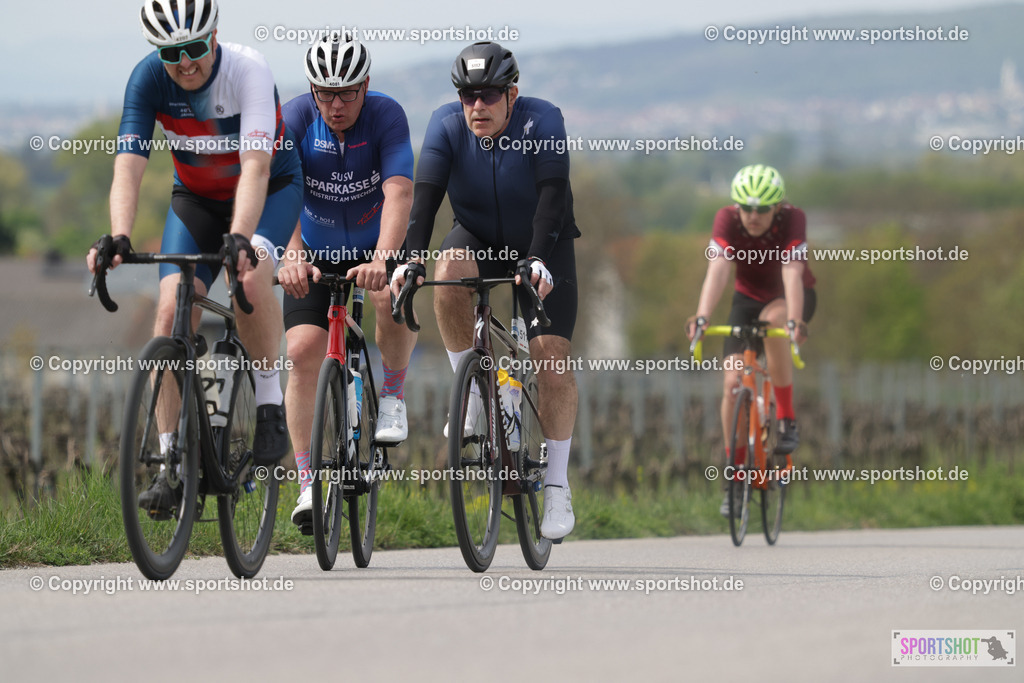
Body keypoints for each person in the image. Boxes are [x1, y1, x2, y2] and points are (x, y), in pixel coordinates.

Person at [87, 0, 301, 515]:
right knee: (168, 315)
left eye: (195, 48)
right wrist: (119, 234)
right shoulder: (147, 79)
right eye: (171, 53)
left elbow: (255, 167)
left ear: (215, 37)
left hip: (269, 189)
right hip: (197, 199)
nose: (184, 63)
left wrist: (241, 237)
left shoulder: (247, 70)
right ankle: (171, 465)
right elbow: (129, 165)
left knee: (250, 278)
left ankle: (269, 403)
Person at [391, 42, 581, 540]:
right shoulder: (446, 125)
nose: (477, 106)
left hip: (544, 243)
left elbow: (552, 196)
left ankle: (557, 485)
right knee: (447, 271)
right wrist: (411, 258)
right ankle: (474, 391)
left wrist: (536, 257)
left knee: (552, 358)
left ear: (512, 95)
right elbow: (425, 199)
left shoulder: (543, 120)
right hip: (478, 236)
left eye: (489, 95)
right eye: (468, 96)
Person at [276, 35, 415, 530]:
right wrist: (291, 253)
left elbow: (399, 192)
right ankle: (308, 482)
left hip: (379, 242)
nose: (336, 105)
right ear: (312, 90)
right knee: (301, 352)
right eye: (325, 93)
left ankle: (392, 395)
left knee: (388, 292)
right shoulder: (294, 118)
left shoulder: (386, 115)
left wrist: (384, 258)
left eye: (348, 93)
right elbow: (280, 191)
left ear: (366, 85)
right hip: (314, 249)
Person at [686, 164, 816, 516]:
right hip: (746, 301)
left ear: (778, 207)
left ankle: (786, 417)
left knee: (773, 322)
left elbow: (792, 271)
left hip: (790, 297)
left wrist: (794, 321)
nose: (753, 216)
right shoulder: (726, 219)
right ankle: (735, 474)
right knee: (732, 384)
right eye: (746, 208)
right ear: (736, 206)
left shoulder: (793, 219)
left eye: (762, 209)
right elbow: (718, 268)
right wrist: (702, 316)